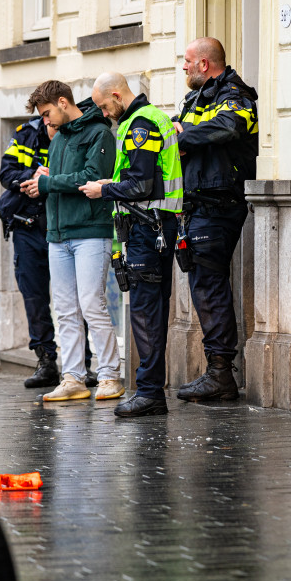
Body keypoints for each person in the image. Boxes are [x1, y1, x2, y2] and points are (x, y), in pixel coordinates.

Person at [82, 72, 183, 417]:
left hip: (148, 228)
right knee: (148, 310)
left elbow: (141, 186)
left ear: (116, 94)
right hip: (151, 227)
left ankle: (151, 392)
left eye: (103, 105)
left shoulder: (141, 125)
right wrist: (113, 182)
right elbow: (142, 179)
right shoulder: (144, 119)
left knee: (146, 312)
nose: (104, 112)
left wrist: (104, 189)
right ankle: (151, 392)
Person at [19, 80, 124, 403]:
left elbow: (91, 176)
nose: (45, 121)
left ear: (64, 103)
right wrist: (44, 178)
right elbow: (64, 178)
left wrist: (48, 183)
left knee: (92, 304)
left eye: (48, 113)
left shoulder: (99, 133)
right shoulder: (58, 139)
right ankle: (73, 377)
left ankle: (110, 376)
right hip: (58, 234)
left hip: (91, 231)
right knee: (64, 309)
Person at [172, 37, 259, 402]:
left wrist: (186, 136)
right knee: (204, 288)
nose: (184, 67)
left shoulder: (235, 93)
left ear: (205, 64)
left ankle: (222, 374)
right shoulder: (194, 99)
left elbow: (231, 126)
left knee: (209, 288)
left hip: (219, 204)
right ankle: (216, 371)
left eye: (188, 60)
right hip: (196, 205)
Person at [0, 118, 95, 389]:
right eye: (47, 119)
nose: (52, 123)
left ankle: (82, 365)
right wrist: (32, 177)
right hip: (28, 227)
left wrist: (52, 179)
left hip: (63, 225)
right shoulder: (25, 134)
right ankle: (46, 361)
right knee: (34, 297)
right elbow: (6, 174)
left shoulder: (75, 133)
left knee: (75, 299)